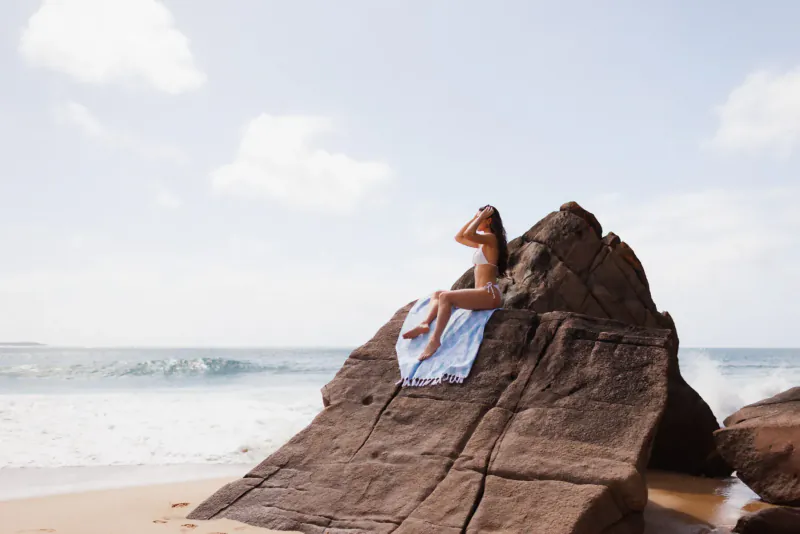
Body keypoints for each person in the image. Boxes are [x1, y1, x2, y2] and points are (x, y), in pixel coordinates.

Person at [402, 205, 509, 361]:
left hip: (489, 294)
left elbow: (468, 233)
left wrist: (478, 218)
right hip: (481, 293)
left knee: (446, 297)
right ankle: (424, 324)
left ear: (489, 220)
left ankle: (435, 340)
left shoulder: (491, 239)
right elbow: (459, 237)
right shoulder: (482, 242)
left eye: (479, 218)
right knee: (438, 294)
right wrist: (476, 217)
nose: (476, 221)